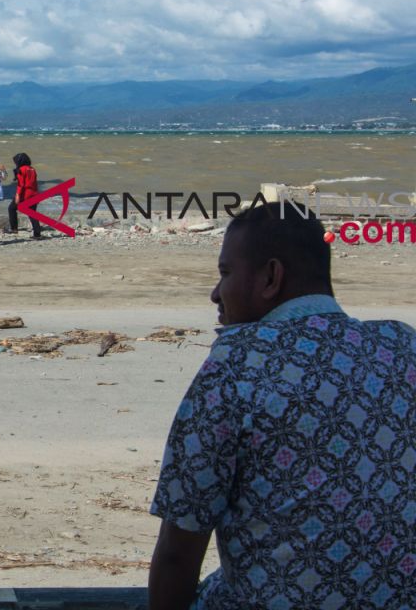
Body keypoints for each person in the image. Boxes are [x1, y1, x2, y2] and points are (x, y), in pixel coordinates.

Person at [147, 202, 416, 610]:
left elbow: (177, 552)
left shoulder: (236, 365)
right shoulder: (403, 347)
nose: (216, 293)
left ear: (271, 277)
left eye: (225, 274)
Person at [9, 153, 42, 239]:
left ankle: (14, 228)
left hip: (25, 194)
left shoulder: (21, 170)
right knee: (32, 214)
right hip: (34, 194)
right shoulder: (32, 169)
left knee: (11, 208)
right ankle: (37, 233)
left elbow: (21, 184)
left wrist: (17, 195)